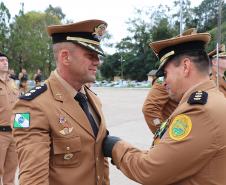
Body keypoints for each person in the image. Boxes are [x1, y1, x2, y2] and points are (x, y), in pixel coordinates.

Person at [103, 30, 226, 185]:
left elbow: (150, 171)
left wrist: (116, 147)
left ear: (186, 67)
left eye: (165, 74)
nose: (164, 81)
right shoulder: (214, 98)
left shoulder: (199, 111)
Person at [12, 19, 109, 185]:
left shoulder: (91, 98)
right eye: (90, 55)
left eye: (97, 56)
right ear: (65, 57)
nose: (97, 61)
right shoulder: (30, 106)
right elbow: (34, 181)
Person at [0, 52, 19, 185]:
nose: (5, 62)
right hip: (0, 134)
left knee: (11, 173)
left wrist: (22, 130)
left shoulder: (13, 82)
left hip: (14, 133)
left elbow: (21, 105)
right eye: (1, 60)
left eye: (6, 60)